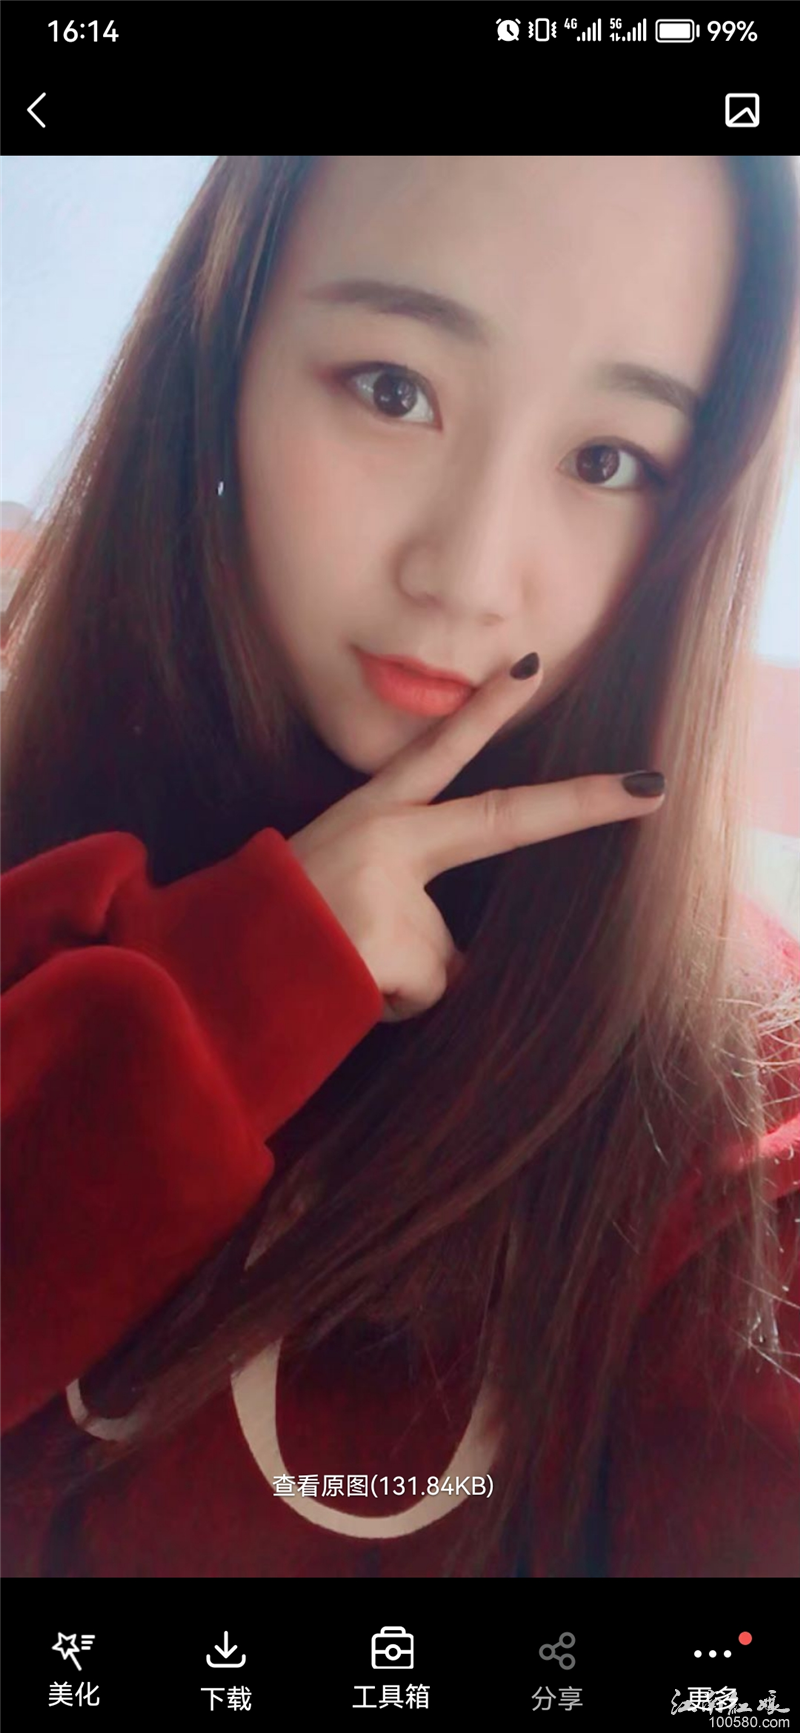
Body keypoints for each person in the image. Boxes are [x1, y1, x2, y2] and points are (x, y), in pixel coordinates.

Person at [1, 156, 798, 1580]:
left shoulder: (739, 1111)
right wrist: (227, 1001)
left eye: (608, 462)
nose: (469, 573)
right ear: (223, 352)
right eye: (392, 388)